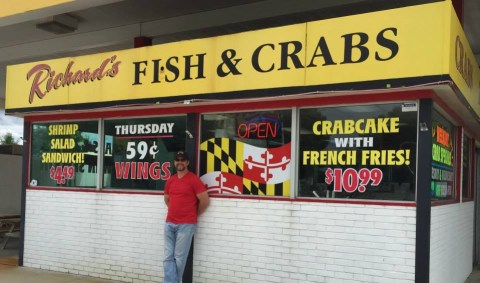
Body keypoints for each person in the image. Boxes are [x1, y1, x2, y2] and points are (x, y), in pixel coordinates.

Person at [163, 150, 210, 283]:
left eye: (182, 160)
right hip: (169, 223)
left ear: (187, 162)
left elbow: (205, 201)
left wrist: (192, 214)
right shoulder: (170, 180)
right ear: (174, 162)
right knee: (167, 257)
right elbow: (167, 199)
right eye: (177, 160)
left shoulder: (194, 180)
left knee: (179, 258)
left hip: (186, 225)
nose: (180, 162)